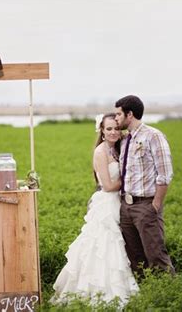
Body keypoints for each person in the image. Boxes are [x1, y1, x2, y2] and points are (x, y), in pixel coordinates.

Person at [51, 113, 139, 306]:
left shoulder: (117, 147)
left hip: (119, 202)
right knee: (105, 246)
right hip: (107, 204)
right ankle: (100, 291)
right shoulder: (100, 152)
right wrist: (130, 181)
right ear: (102, 130)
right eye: (109, 129)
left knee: (122, 246)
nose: (114, 132)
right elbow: (107, 186)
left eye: (116, 128)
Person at [114, 95, 176, 278]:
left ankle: (169, 293)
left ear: (129, 114)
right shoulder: (126, 140)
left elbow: (165, 174)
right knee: (135, 259)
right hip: (126, 207)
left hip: (145, 205)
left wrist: (155, 205)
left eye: (118, 114)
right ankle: (145, 296)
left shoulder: (153, 136)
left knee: (156, 255)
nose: (116, 118)